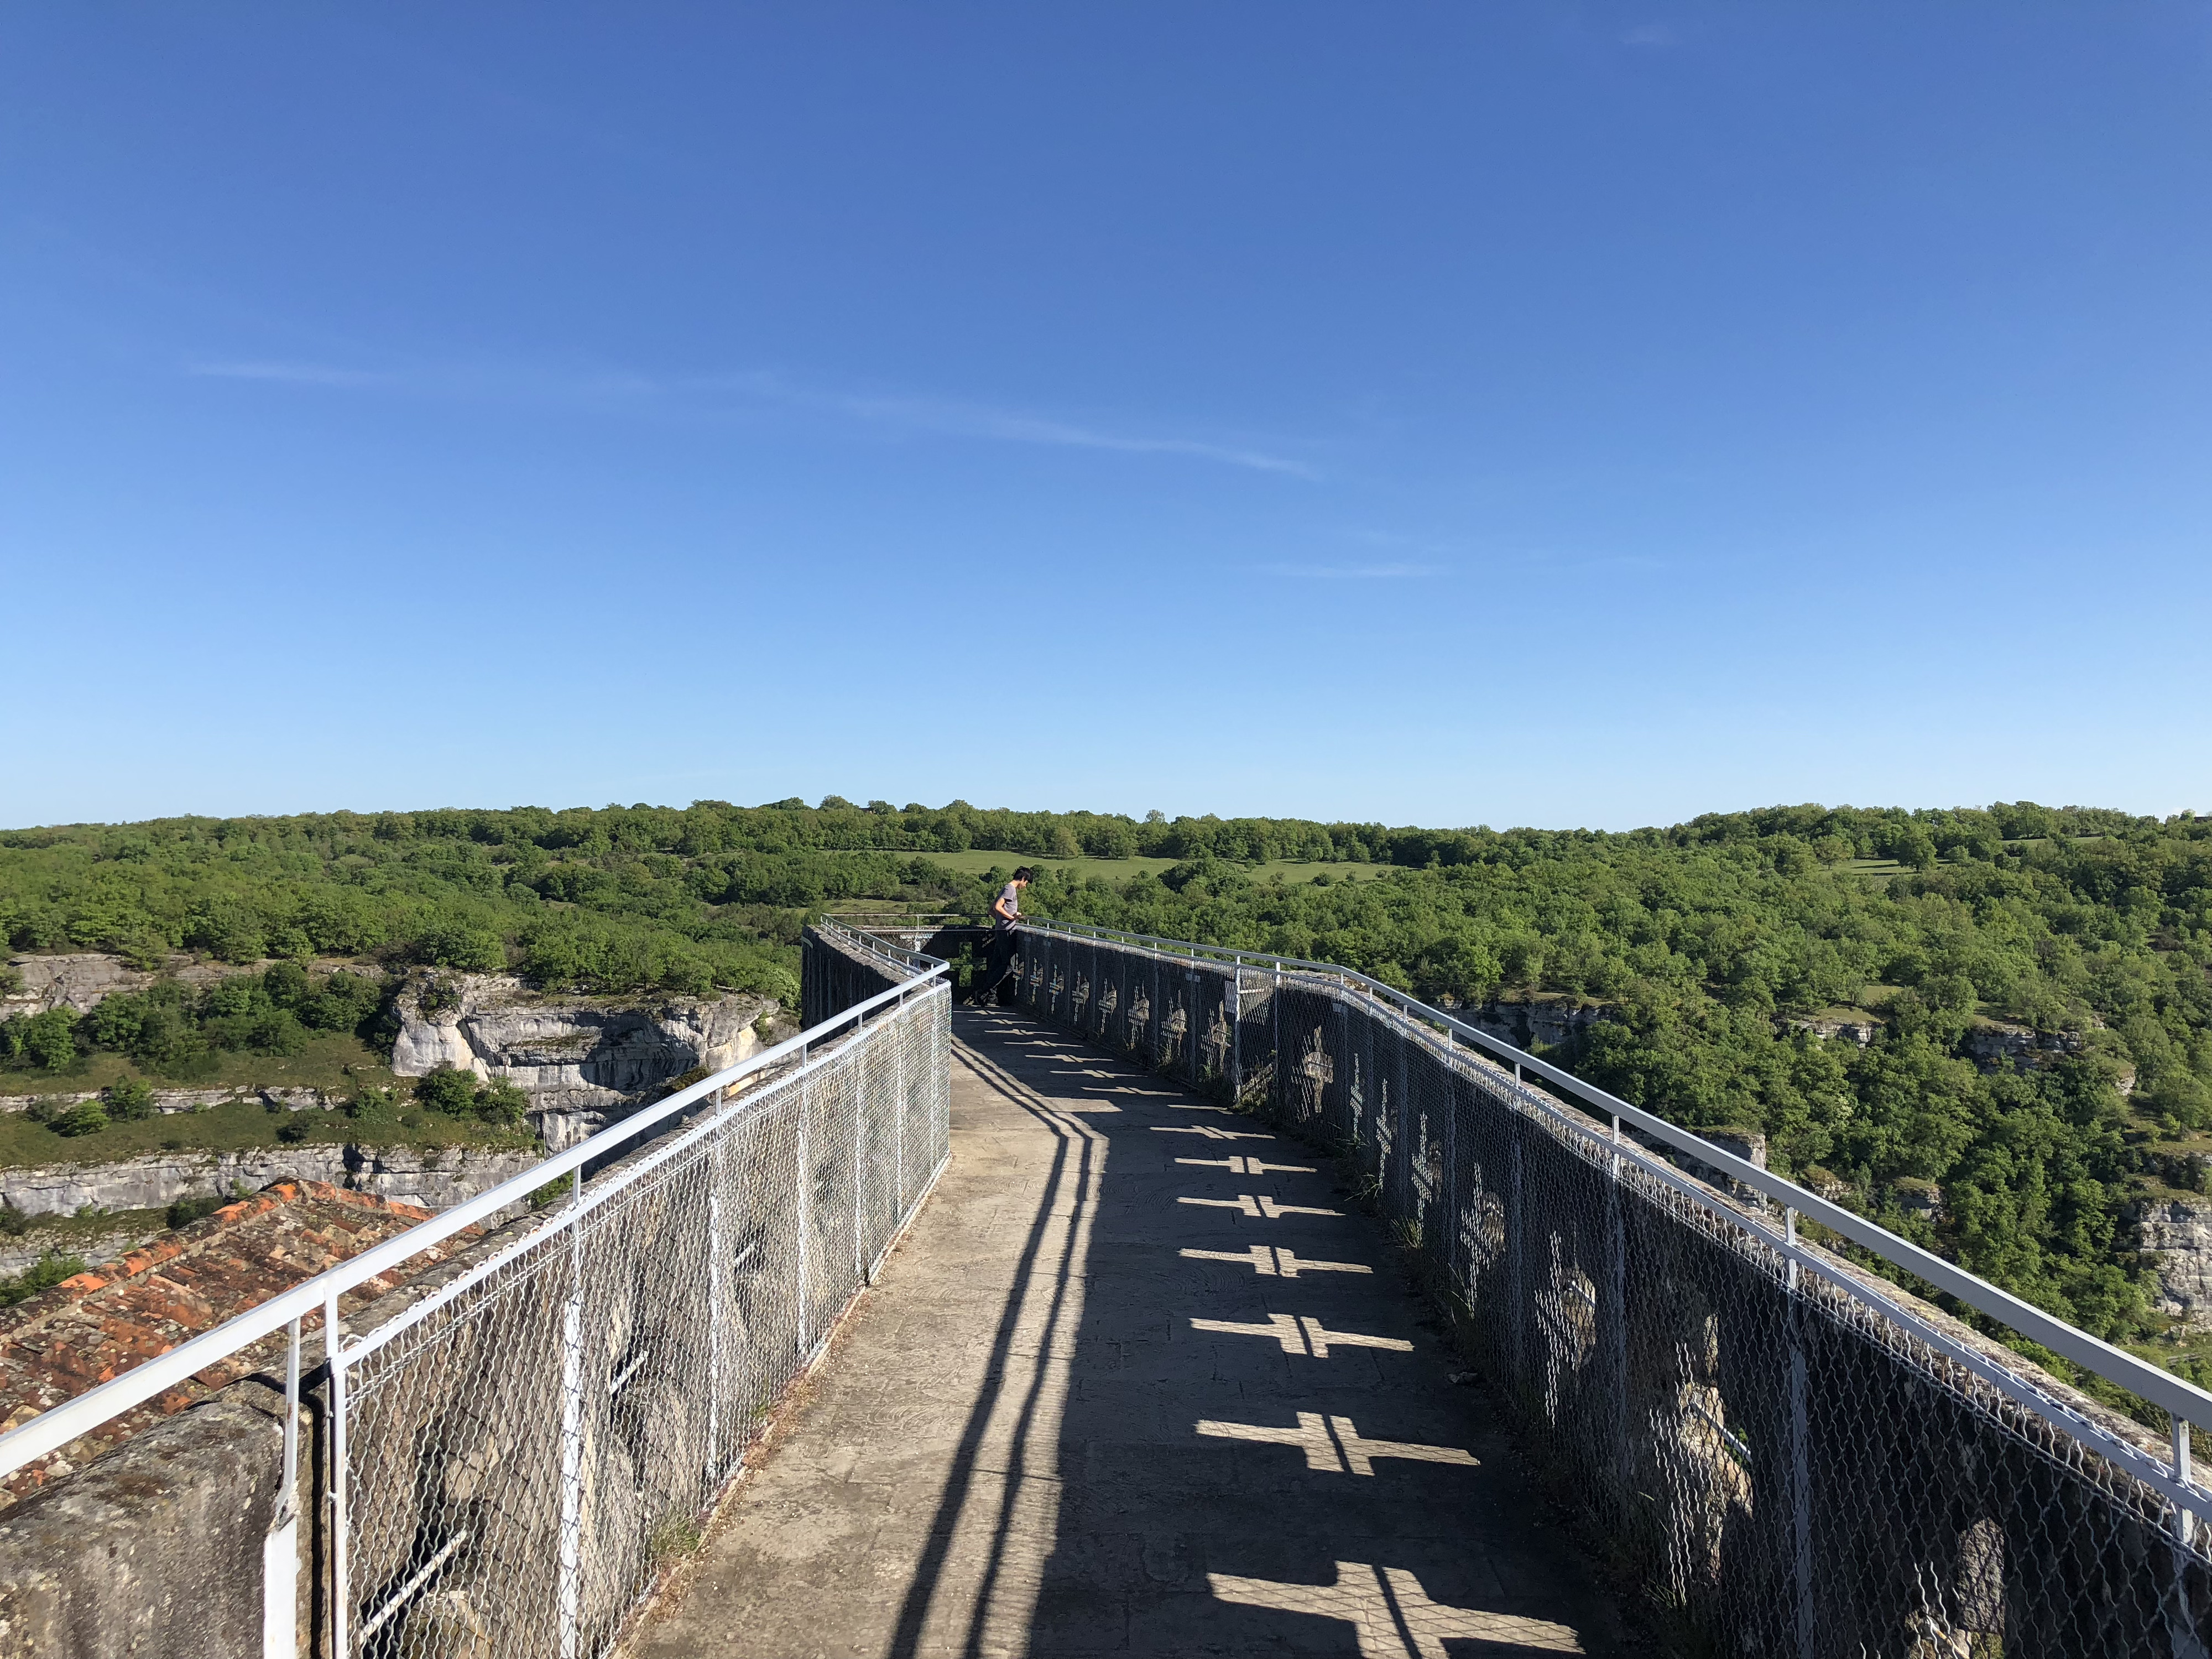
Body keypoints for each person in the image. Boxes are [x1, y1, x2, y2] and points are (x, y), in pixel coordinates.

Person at [972, 867, 1032, 1006]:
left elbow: (991, 909)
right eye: (1027, 882)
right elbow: (998, 907)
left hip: (1001, 930)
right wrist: (1012, 918)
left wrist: (1000, 921)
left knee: (996, 964)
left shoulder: (1005, 888)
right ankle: (983, 992)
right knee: (1009, 966)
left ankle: (989, 996)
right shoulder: (1010, 889)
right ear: (1023, 879)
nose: (1026, 886)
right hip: (1006, 932)